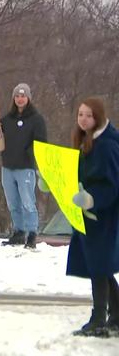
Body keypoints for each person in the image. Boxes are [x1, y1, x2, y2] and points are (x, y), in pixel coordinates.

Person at [65, 97, 119, 337]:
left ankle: (98, 319)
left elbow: (112, 184)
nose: (83, 119)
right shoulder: (86, 140)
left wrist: (92, 199)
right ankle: (116, 316)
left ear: (98, 117)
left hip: (104, 216)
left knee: (99, 266)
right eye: (80, 114)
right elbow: (80, 175)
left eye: (88, 115)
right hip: (90, 216)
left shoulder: (107, 145)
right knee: (102, 266)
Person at [0, 83, 47, 248]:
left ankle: (32, 233)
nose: (20, 99)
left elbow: (42, 142)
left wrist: (29, 152)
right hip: (7, 166)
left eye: (23, 96)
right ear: (14, 98)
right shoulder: (6, 119)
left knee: (27, 201)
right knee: (12, 202)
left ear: (28, 98)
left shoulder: (36, 119)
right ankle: (18, 232)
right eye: (17, 96)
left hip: (25, 168)